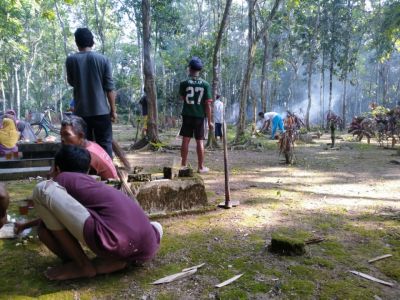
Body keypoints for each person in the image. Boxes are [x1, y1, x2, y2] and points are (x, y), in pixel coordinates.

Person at [25, 145, 162, 280]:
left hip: (113, 242)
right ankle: (120, 262)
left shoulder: (63, 178)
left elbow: (49, 221)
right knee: (156, 225)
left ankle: (82, 265)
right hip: (147, 245)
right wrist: (24, 226)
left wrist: (27, 225)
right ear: (88, 169)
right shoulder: (90, 183)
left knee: (42, 189)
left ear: (57, 169)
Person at [66, 28, 116, 158]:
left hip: (81, 113)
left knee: (83, 146)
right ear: (92, 42)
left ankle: (86, 174)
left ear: (77, 43)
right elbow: (109, 88)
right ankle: (108, 175)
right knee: (105, 145)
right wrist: (113, 110)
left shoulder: (71, 60)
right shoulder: (103, 59)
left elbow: (72, 82)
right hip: (102, 112)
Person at [179, 57, 213, 173]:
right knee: (200, 141)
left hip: (187, 115)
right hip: (199, 116)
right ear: (200, 70)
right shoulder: (205, 84)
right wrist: (209, 121)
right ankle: (201, 167)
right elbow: (208, 105)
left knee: (186, 140)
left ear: (190, 68)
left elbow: (182, 98)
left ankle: (182, 166)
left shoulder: (183, 83)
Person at [60, 115, 118, 180]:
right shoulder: (92, 145)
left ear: (81, 136)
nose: (62, 139)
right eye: (61, 135)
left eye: (67, 135)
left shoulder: (86, 156)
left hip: (109, 187)